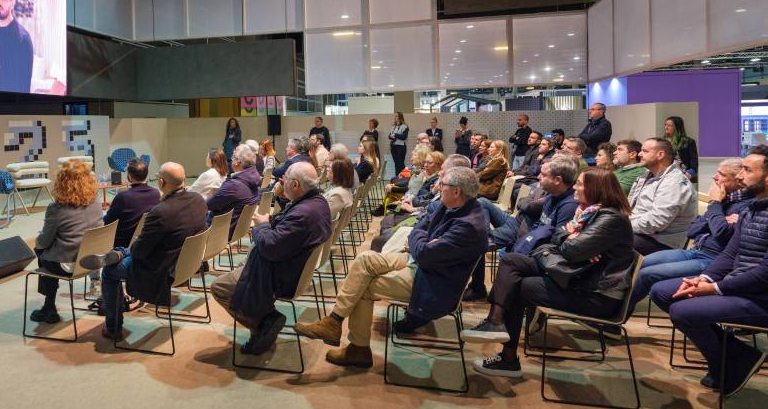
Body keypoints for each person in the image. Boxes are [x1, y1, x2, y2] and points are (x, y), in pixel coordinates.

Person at [293, 167, 488, 368]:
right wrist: (423, 239)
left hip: (433, 281)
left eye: (443, 184)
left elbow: (424, 252)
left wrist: (420, 239)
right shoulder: (453, 205)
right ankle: (334, 321)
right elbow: (421, 226)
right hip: (422, 263)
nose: (438, 187)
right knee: (365, 260)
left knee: (364, 287)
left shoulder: (468, 225)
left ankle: (358, 349)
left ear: (456, 191)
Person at [464, 168, 636, 379]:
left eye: (580, 184)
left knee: (520, 285)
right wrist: (568, 238)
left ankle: (508, 358)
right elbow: (562, 241)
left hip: (597, 294)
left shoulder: (611, 219)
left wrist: (567, 238)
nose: (575, 187)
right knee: (511, 261)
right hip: (577, 274)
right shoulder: (587, 212)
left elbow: (569, 249)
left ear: (596, 189)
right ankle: (495, 320)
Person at [649, 145, 768, 396]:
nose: (740, 176)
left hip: (760, 296)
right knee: (661, 292)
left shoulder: (748, 208)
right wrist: (704, 278)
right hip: (738, 284)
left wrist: (714, 288)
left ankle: (728, 362)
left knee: (683, 311)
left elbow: (764, 273)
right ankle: (734, 355)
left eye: (747, 170)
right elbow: (730, 253)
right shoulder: (751, 208)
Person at [211, 162, 332, 355]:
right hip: (293, 266)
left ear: (296, 185)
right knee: (245, 262)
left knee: (218, 287)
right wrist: (282, 201)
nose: (281, 182)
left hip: (280, 275)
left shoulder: (303, 214)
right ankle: (263, 315)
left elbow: (269, 247)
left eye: (285, 180)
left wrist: (261, 225)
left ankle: (264, 321)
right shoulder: (318, 202)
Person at [92, 162, 207, 339]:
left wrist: (133, 246)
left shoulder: (161, 212)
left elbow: (139, 252)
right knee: (129, 250)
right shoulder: (198, 200)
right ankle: (121, 252)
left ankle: (113, 327)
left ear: (161, 182)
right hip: (186, 264)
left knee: (109, 270)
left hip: (160, 269)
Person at [631, 158, 752, 309]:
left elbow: (722, 233)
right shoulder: (724, 200)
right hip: (695, 251)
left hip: (714, 260)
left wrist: (715, 206)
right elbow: (693, 230)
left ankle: (615, 316)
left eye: (721, 174)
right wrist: (718, 218)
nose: (714, 177)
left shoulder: (744, 205)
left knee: (647, 274)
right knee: (641, 263)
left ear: (738, 180)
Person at [30, 160, 104, 324]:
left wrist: (38, 245)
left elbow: (44, 241)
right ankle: (98, 289)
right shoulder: (97, 202)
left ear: (62, 181)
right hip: (94, 261)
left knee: (42, 253)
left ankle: (49, 307)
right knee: (48, 252)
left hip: (68, 266)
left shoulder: (56, 209)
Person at [481, 156, 579, 257]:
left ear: (558, 180)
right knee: (482, 202)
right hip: (517, 221)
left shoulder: (569, 205)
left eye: (543, 175)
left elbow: (556, 242)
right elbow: (523, 203)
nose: (538, 177)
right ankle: (486, 236)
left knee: (477, 244)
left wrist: (522, 244)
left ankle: (486, 239)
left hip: (522, 230)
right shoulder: (551, 194)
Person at [627, 138, 698, 255]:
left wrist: (624, 224)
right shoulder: (646, 175)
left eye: (645, 151)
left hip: (661, 242)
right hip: (641, 232)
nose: (639, 154)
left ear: (660, 155)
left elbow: (656, 222)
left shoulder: (674, 182)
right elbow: (631, 206)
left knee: (608, 241)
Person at [102, 157, 161, 248]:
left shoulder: (123, 197)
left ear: (129, 176)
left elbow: (106, 222)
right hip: (143, 241)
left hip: (121, 246)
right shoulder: (156, 193)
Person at [207, 145, 262, 238]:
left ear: (237, 162)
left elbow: (209, 204)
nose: (231, 160)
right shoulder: (254, 179)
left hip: (220, 233)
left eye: (233, 157)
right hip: (237, 229)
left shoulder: (234, 185)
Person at [665, 116, 699, 183]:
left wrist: (690, 173)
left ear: (677, 127)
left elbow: (694, 160)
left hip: (684, 172)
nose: (666, 127)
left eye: (669, 125)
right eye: (665, 125)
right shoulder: (662, 142)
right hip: (667, 172)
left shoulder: (689, 141)